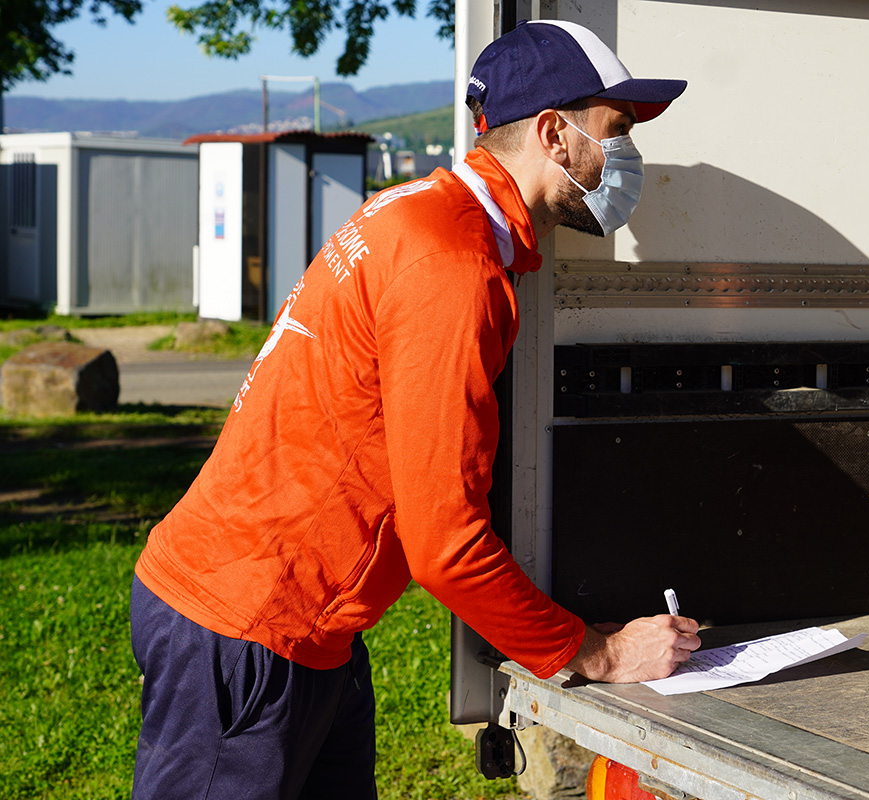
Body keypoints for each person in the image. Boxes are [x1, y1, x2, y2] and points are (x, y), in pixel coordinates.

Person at [129, 18, 701, 800]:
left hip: (304, 626)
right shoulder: (452, 263)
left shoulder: (424, 217)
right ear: (553, 134)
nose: (629, 156)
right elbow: (447, 547)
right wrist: (599, 654)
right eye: (618, 130)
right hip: (250, 628)